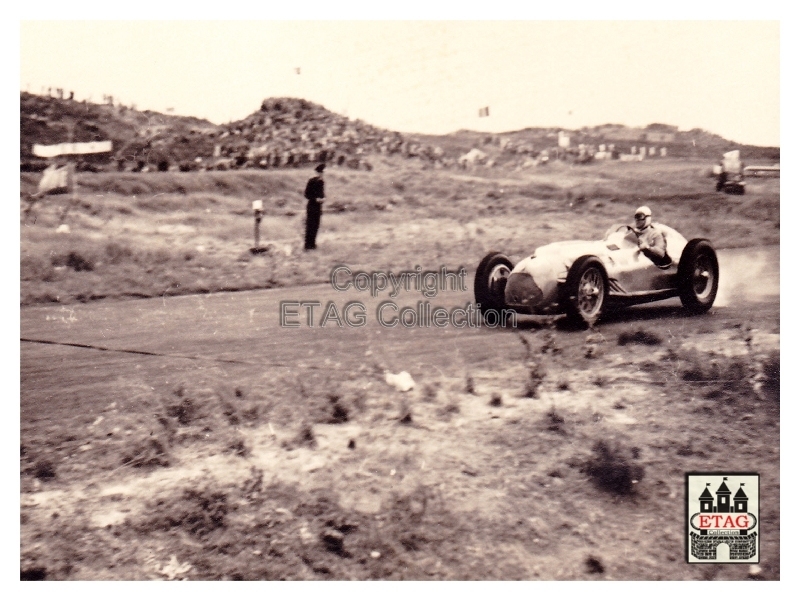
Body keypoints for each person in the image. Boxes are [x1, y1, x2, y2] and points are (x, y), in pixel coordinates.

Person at [304, 163, 325, 250]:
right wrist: (315, 199)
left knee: (316, 225)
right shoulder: (312, 181)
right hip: (312, 205)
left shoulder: (321, 182)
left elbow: (322, 194)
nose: (321, 174)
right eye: (320, 173)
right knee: (310, 225)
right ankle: (308, 245)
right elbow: (306, 194)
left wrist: (323, 198)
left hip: (318, 206)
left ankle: (312, 244)